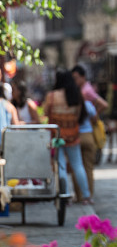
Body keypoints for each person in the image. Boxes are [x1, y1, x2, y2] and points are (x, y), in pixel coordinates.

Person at [43, 69, 91, 203]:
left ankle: (64, 195)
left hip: (57, 135)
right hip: (73, 135)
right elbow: (78, 116)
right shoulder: (76, 95)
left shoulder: (52, 96)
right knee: (78, 165)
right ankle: (86, 196)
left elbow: (46, 112)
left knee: (61, 166)